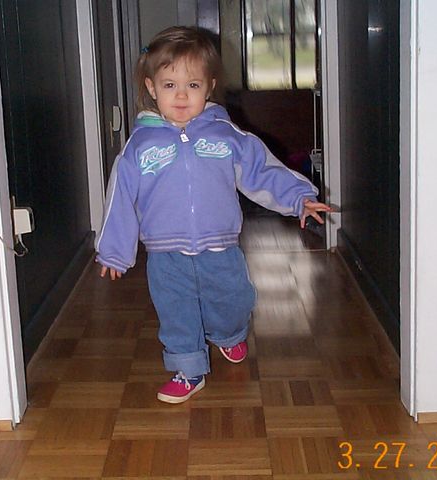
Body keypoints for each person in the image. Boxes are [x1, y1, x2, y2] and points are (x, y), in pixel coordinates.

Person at [96, 26, 331, 404]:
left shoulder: (226, 136)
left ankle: (230, 333)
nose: (181, 95)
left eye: (192, 85)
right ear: (152, 88)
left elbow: (261, 170)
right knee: (176, 311)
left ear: (209, 86)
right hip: (165, 252)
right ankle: (188, 369)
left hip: (220, 246)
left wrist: (298, 198)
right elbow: (120, 198)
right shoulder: (140, 145)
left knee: (232, 301)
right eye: (170, 85)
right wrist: (114, 250)